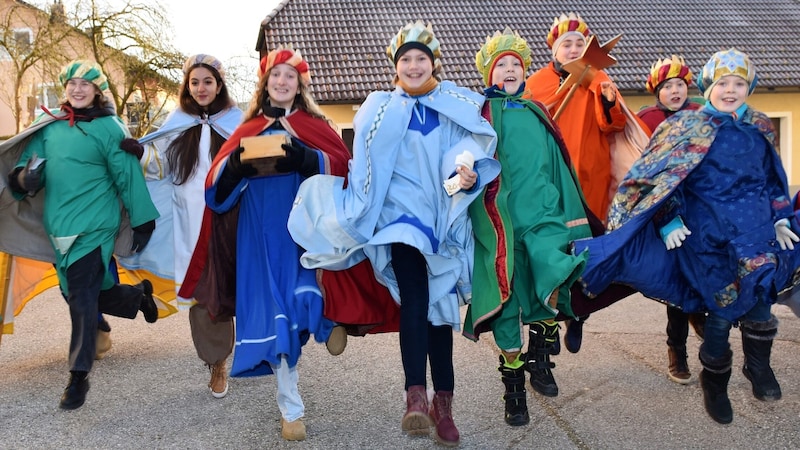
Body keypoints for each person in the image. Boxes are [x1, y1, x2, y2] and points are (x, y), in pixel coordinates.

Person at [287, 21, 499, 447]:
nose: (414, 65)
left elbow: (473, 151)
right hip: (398, 220)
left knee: (440, 312)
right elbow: (363, 164)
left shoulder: (456, 104)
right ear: (396, 66)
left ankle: (444, 405)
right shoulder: (378, 106)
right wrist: (359, 208)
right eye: (406, 59)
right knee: (417, 299)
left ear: (433, 62)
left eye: (421, 58)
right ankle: (414, 396)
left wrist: (469, 175)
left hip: (443, 219)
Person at [572, 48, 800, 424]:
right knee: (722, 308)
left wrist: (780, 218)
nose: (731, 90)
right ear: (709, 86)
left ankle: (758, 368)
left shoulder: (760, 124)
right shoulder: (685, 127)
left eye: (739, 83)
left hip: (756, 229)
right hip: (708, 234)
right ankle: (715, 378)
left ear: (749, 87)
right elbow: (655, 179)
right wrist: (668, 219)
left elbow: (773, 178)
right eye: (723, 83)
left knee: (760, 298)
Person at [178, 46, 351, 442]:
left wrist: (309, 159)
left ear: (300, 84)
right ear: (265, 83)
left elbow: (343, 167)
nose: (282, 81)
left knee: (304, 295)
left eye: (290, 76)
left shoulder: (315, 124)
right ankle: (291, 408)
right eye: (276, 75)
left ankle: (324, 324)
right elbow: (215, 192)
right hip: (256, 232)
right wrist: (236, 166)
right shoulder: (247, 128)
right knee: (275, 315)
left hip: (301, 229)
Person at [4, 60, 160, 410]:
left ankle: (78, 377)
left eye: (85, 84)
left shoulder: (110, 128)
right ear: (65, 89)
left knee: (82, 299)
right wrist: (21, 180)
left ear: (97, 90)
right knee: (83, 294)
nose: (77, 89)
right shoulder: (49, 128)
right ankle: (137, 298)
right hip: (58, 228)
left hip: (95, 226)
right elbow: (28, 167)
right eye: (72, 83)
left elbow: (128, 177)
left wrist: (142, 219)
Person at [464, 28, 595, 424]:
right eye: (500, 65)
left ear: (524, 73)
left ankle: (541, 357)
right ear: (489, 74)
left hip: (544, 214)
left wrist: (571, 220)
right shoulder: (479, 116)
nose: (508, 70)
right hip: (499, 220)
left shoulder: (539, 112)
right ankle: (514, 387)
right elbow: (463, 160)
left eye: (515, 65)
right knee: (505, 300)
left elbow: (559, 165)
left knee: (551, 276)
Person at [117, 54, 243, 398]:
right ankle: (217, 361)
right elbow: (161, 167)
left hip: (231, 220)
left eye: (208, 81)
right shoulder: (179, 122)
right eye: (194, 82)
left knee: (239, 285)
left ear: (219, 86)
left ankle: (258, 349)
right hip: (191, 223)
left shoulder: (237, 122)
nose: (201, 88)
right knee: (204, 291)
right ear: (187, 87)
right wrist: (140, 154)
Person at [524, 12, 649, 354]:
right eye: (568, 44)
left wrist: (608, 101)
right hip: (552, 181)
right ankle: (547, 321)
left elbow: (612, 125)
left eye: (581, 43)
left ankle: (577, 316)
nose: (575, 48)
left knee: (585, 251)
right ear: (554, 49)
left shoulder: (598, 78)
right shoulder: (535, 84)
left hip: (590, 179)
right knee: (551, 250)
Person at [637, 55, 707, 384]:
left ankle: (702, 314)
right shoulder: (648, 120)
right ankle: (676, 349)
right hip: (666, 209)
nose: (675, 90)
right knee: (678, 279)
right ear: (657, 92)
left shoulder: (702, 114)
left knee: (709, 266)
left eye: (680, 84)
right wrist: (664, 215)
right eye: (668, 86)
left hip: (702, 206)